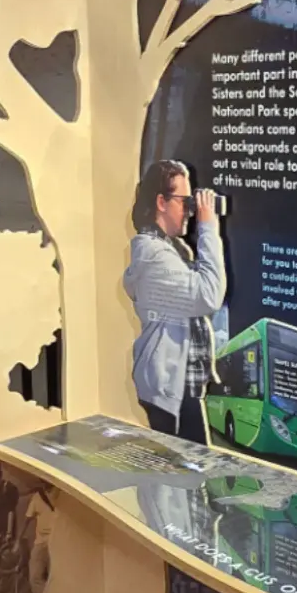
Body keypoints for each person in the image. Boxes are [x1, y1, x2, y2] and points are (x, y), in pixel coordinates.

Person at [123, 159, 223, 444]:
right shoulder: (157, 256)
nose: (191, 211)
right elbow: (209, 295)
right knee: (180, 482)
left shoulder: (172, 249)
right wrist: (208, 228)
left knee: (187, 480)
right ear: (161, 202)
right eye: (185, 201)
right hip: (170, 390)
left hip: (178, 387)